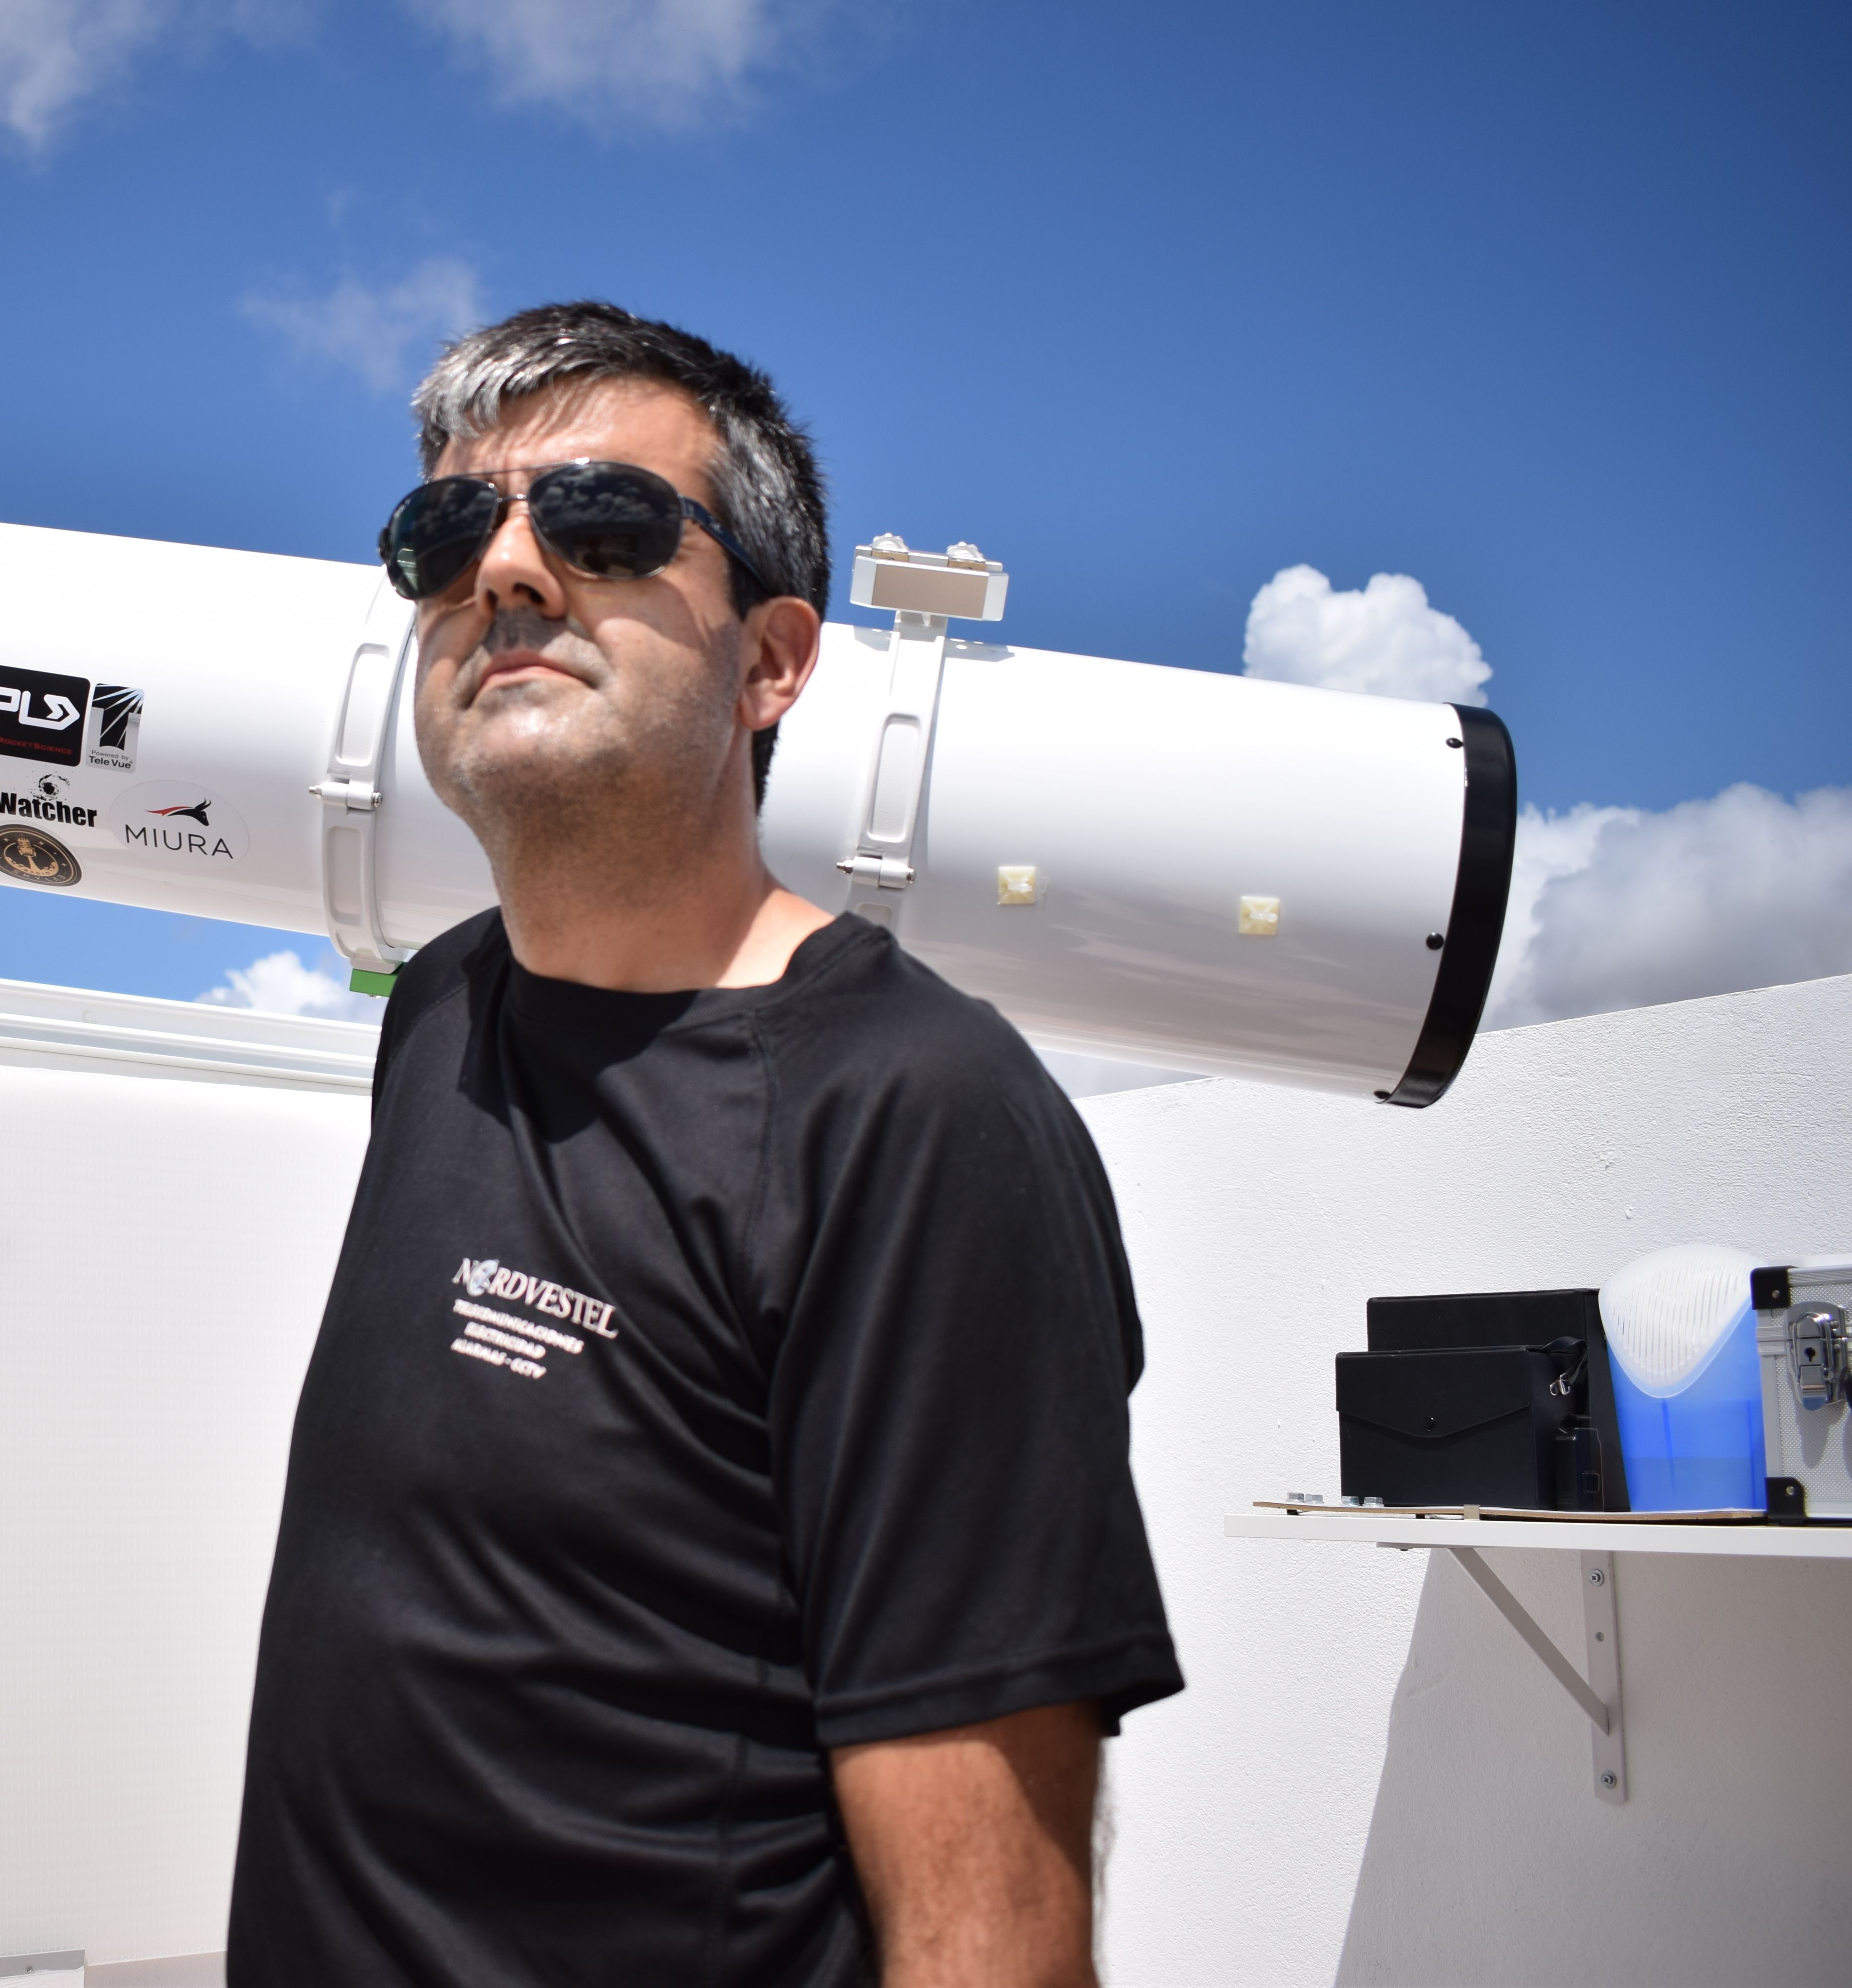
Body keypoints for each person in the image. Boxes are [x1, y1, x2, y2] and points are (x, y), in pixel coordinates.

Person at [224, 302, 1182, 1987]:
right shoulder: (442, 1009)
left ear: (773, 661)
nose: (506, 573)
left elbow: (992, 1927)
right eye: (451, 529)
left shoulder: (913, 1117)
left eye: (601, 523)